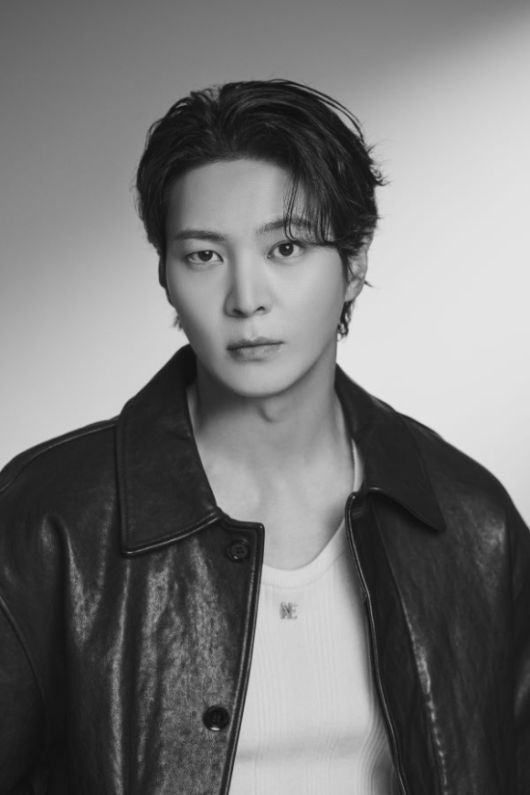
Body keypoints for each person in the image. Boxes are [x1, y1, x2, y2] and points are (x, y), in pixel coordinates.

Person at [0, 79, 528, 795]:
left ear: (355, 262)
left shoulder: (471, 523)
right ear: (164, 274)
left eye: (286, 247)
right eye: (204, 255)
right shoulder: (48, 520)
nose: (246, 299)